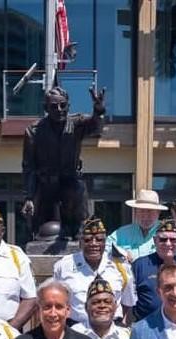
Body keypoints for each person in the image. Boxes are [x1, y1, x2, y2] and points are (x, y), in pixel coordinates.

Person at [22, 86, 105, 239]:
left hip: (70, 182)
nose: (59, 109)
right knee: (39, 226)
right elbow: (29, 167)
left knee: (78, 189)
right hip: (45, 184)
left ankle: (79, 230)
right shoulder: (34, 131)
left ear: (68, 106)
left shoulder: (76, 124)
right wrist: (29, 196)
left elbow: (95, 127)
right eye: (53, 106)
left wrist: (98, 110)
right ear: (45, 108)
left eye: (63, 105)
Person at [52, 217, 135, 327]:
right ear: (80, 242)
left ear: (105, 243)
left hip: (113, 330)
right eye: (88, 240)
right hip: (76, 330)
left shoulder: (120, 265)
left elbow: (127, 304)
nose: (94, 244)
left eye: (99, 240)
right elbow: (56, 302)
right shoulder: (64, 266)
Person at [131, 219, 176, 321]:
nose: (168, 243)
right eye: (163, 239)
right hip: (148, 329)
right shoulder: (139, 266)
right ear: (154, 240)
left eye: (173, 239)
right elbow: (129, 301)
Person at [105, 189, 166, 262]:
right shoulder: (122, 233)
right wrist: (122, 252)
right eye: (142, 211)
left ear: (158, 212)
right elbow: (105, 248)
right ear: (135, 211)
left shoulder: (167, 234)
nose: (145, 216)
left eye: (150, 211)